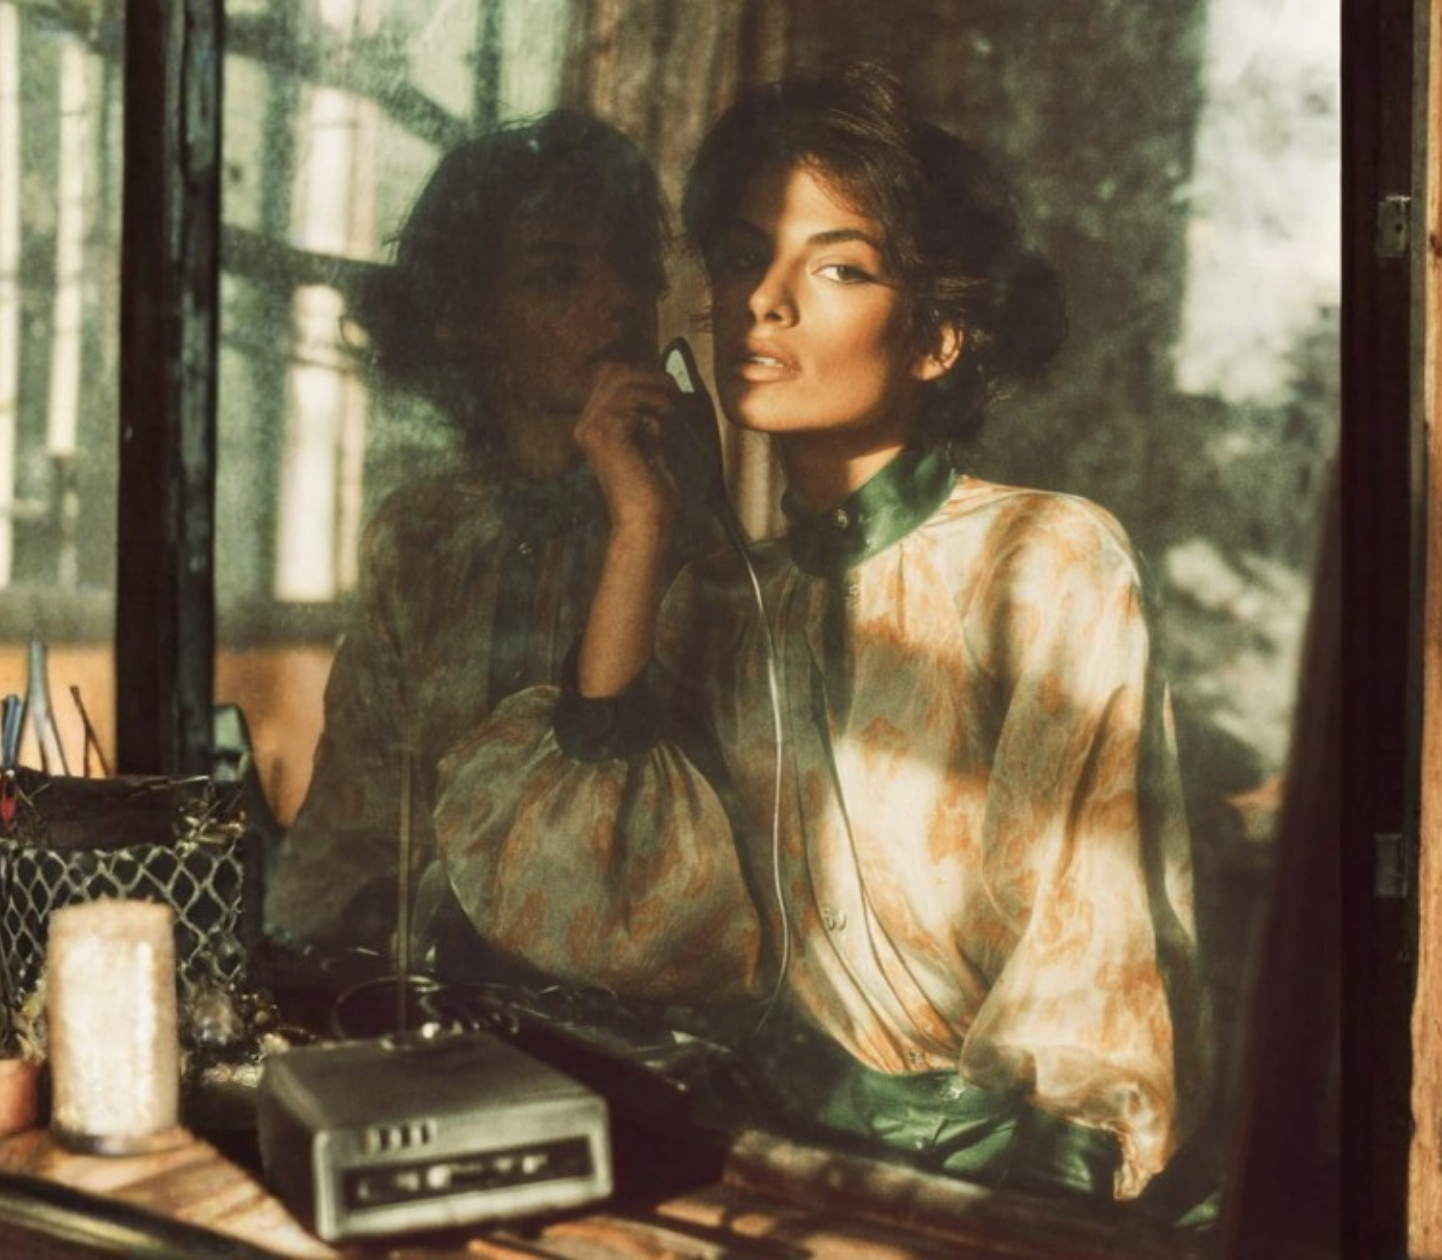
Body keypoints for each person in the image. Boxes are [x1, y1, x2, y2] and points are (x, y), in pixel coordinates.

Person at [432, 65, 1201, 1201]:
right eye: (745, 257)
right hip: (761, 1163)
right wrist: (644, 527)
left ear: (937, 337)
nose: (763, 301)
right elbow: (585, 894)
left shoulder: (1043, 562)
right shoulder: (725, 600)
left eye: (836, 267)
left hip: (993, 1197)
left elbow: (1087, 978)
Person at [265, 110, 711, 962]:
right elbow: (347, 839)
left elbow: (662, 859)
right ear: (468, 320)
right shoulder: (423, 541)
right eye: (556, 276)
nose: (615, 300)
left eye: (631, 269)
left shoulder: (691, 535)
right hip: (439, 1015)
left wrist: (641, 521)